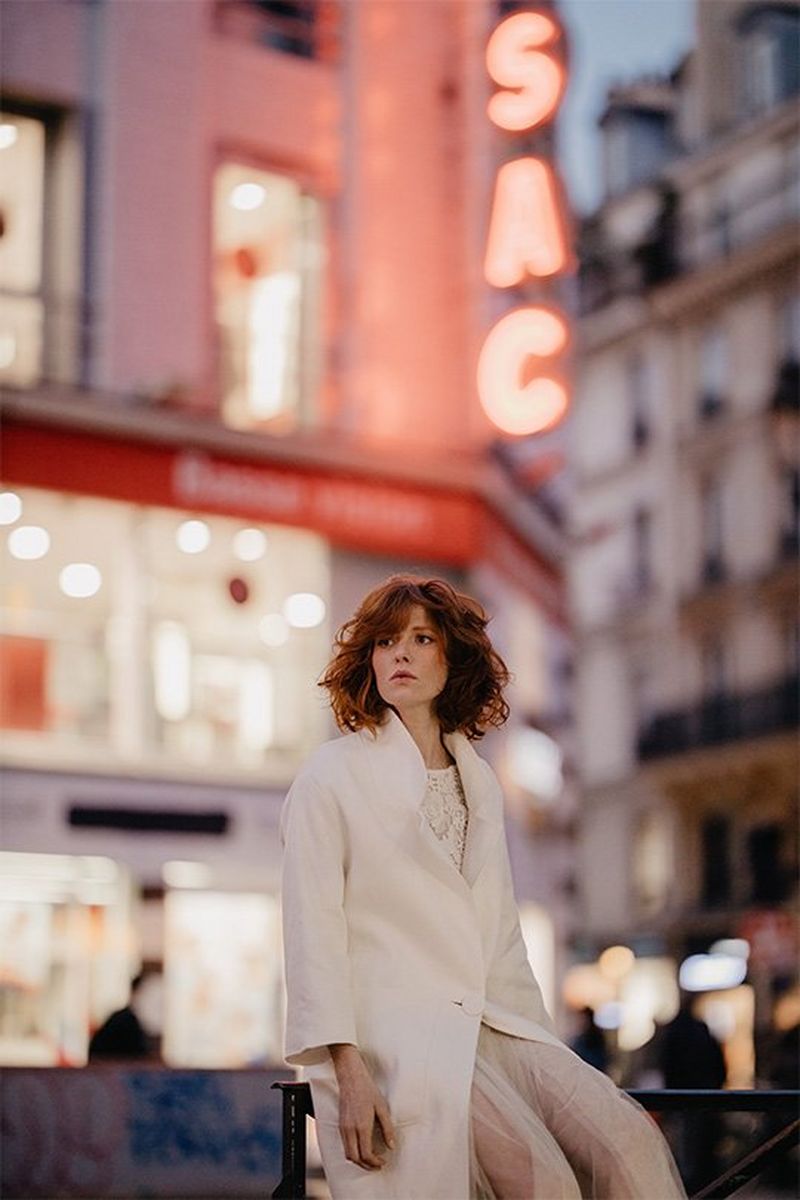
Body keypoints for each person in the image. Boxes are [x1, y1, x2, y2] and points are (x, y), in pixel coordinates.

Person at [281, 576, 687, 1199]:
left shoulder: (481, 782)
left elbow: (501, 939)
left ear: (454, 659)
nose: (401, 654)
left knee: (628, 1140)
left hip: (495, 1020)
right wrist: (347, 1070)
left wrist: (544, 1053)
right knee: (541, 1180)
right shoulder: (330, 777)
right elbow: (313, 931)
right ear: (368, 658)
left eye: (422, 638)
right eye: (386, 641)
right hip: (396, 1036)